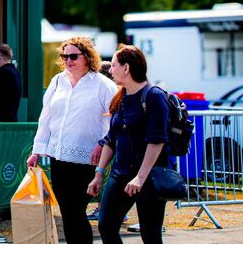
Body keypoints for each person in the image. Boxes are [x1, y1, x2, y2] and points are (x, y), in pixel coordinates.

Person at [26, 36, 117, 244]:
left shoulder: (103, 85)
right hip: (59, 156)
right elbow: (46, 117)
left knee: (76, 211)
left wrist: (103, 143)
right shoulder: (58, 81)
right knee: (68, 213)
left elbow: (113, 120)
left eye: (73, 56)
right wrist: (36, 151)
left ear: (87, 57)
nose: (68, 60)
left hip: (87, 158)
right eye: (64, 55)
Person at [87, 44, 170, 244]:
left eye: (114, 65)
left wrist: (140, 178)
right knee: (106, 226)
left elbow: (157, 140)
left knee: (150, 235)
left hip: (148, 177)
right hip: (120, 174)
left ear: (126, 68)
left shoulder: (154, 96)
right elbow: (111, 138)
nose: (110, 69)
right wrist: (99, 173)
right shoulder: (121, 96)